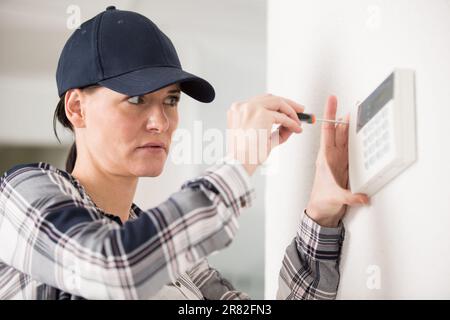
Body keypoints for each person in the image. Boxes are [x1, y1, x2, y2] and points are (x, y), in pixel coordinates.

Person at [0, 6, 369, 300]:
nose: (160, 121)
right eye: (136, 99)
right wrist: (239, 162)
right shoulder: (20, 195)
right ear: (77, 108)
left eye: (171, 100)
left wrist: (321, 215)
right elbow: (115, 269)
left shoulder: (181, 266)